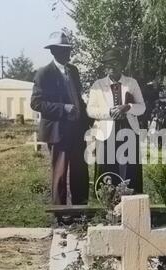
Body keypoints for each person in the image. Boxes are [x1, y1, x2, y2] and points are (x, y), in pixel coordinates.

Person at [31, 31, 92, 205]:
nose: (67, 53)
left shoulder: (73, 71)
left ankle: (81, 209)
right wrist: (63, 108)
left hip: (77, 130)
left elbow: (78, 99)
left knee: (80, 170)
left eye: (68, 49)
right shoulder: (44, 74)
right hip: (58, 132)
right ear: (53, 51)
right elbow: (36, 103)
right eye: (62, 50)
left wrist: (89, 117)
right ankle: (61, 214)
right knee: (60, 173)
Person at [87, 48, 145, 194]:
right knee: (107, 166)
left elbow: (142, 108)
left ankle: (129, 201)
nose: (111, 67)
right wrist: (109, 112)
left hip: (128, 129)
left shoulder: (131, 83)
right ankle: (107, 202)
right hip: (106, 131)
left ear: (121, 65)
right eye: (107, 64)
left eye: (114, 63)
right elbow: (90, 110)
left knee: (128, 167)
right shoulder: (98, 85)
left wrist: (128, 107)